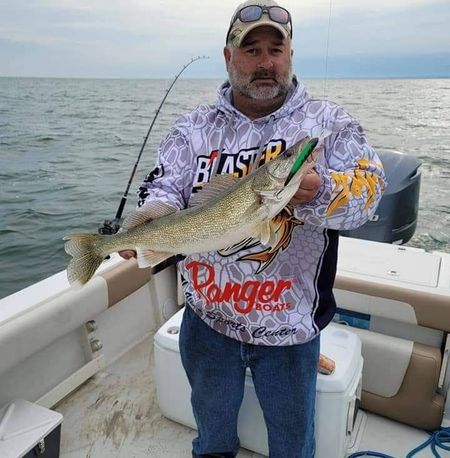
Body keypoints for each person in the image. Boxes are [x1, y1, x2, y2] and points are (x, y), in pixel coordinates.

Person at [121, 0, 385, 456]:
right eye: (251, 50)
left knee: (292, 445)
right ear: (229, 58)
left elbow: (370, 193)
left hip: (290, 330)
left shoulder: (328, 124)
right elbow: (164, 183)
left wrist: (320, 190)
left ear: (290, 55)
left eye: (275, 50)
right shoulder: (193, 127)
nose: (265, 62)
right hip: (205, 320)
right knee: (213, 439)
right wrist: (153, 215)